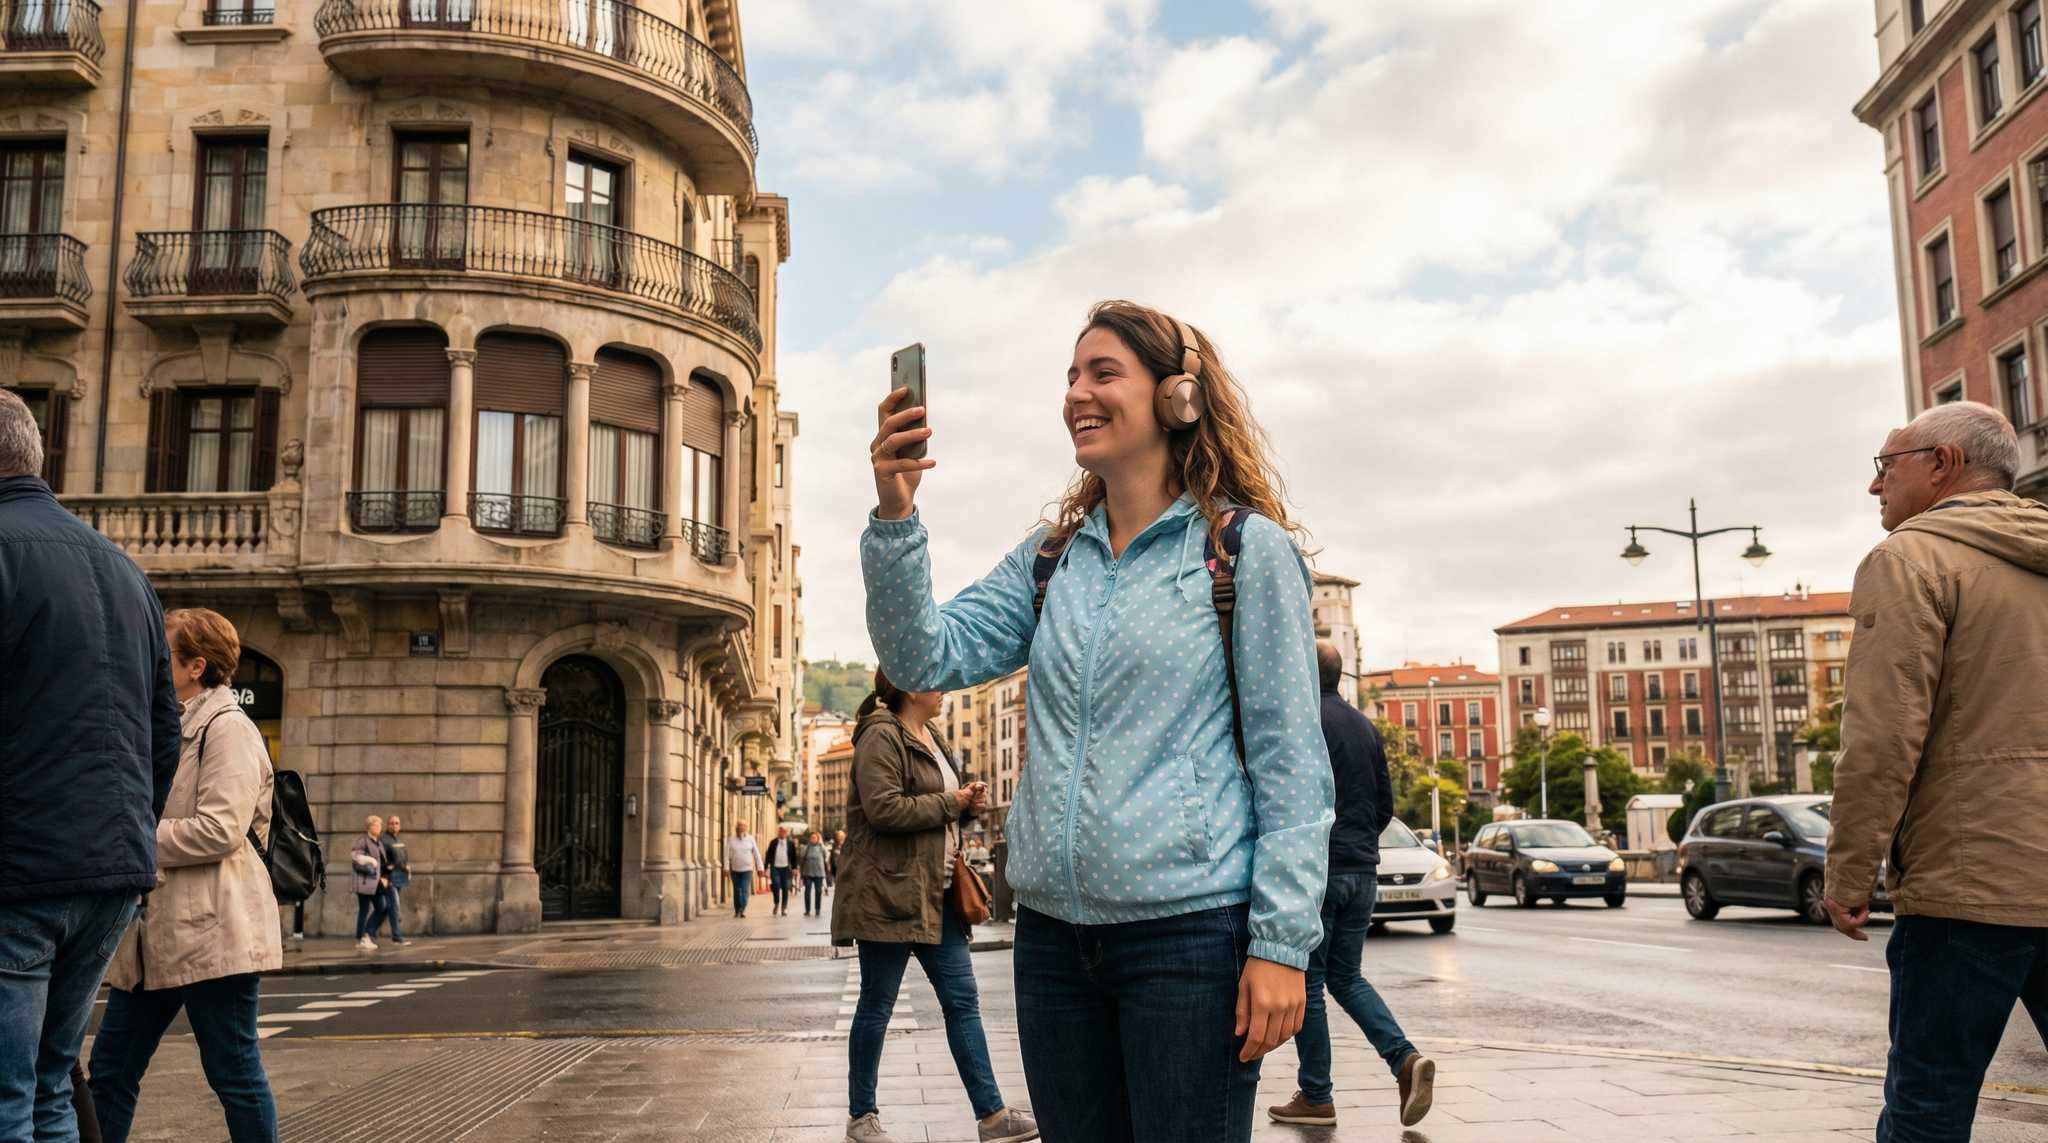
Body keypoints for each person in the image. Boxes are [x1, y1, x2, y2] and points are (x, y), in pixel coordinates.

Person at [863, 300, 1334, 1141]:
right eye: (1072, 377)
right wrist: (896, 512)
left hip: (1189, 939)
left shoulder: (1241, 550)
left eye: (1103, 373)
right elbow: (922, 657)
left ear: (1179, 395)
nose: (1078, 392)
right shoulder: (1052, 558)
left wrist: (1281, 944)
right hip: (1053, 945)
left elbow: (1292, 764)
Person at [1824, 402, 2048, 1143]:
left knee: (1931, 1099)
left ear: (1943, 465)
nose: (1874, 486)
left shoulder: (1910, 561)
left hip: (1970, 880)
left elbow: (1883, 736)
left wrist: (1849, 872)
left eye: (1885, 466)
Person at [0, 390, 178, 1140]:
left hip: (20, 871)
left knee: (8, 1093)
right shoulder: (124, 567)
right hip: (111, 871)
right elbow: (164, 731)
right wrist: (132, 824)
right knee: (49, 1084)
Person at [89, 607, 282, 1142]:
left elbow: (220, 829)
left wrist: (135, 842)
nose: (152, 662)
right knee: (110, 1072)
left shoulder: (228, 729)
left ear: (196, 666)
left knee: (234, 1073)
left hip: (214, 932)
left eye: (164, 653)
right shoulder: (168, 724)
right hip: (156, 936)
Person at [832, 672, 1036, 1143]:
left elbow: (936, 805)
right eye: (934, 678)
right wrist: (951, 801)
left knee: (963, 1003)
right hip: (889, 893)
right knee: (876, 1005)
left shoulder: (933, 735)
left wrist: (967, 805)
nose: (944, 687)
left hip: (937, 892)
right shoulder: (881, 734)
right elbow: (884, 808)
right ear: (907, 684)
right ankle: (862, 1117)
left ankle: (992, 1115)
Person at [1269, 641, 1434, 1129]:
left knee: (1311, 983)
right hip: (1363, 869)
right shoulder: (1363, 725)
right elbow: (1385, 804)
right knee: (1348, 977)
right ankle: (1404, 1059)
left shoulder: (1300, 720)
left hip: (1319, 869)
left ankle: (1317, 1096)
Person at [350, 816, 390, 951]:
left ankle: (367, 934)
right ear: (370, 827)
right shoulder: (363, 841)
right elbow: (356, 859)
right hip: (365, 882)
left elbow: (382, 862)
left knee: (382, 907)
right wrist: (371, 866)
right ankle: (361, 938)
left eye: (380, 825)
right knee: (364, 910)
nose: (379, 828)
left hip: (376, 882)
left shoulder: (378, 842)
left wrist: (384, 876)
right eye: (377, 825)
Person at [379, 813, 412, 945]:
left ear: (400, 826)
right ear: (387, 825)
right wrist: (384, 875)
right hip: (389, 877)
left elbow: (403, 857)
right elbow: (381, 859)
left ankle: (369, 932)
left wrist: (407, 868)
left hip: (399, 877)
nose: (394, 825)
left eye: (397, 823)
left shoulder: (398, 840)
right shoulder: (383, 839)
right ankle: (397, 937)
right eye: (392, 823)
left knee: (389, 907)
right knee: (394, 906)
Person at [725, 823, 762, 918]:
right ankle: (737, 910)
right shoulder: (731, 839)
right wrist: (726, 868)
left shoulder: (750, 839)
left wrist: (760, 867)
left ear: (746, 828)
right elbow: (726, 855)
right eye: (740, 826)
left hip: (747, 870)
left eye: (744, 826)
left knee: (744, 889)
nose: (741, 828)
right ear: (736, 828)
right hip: (735, 870)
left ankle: (742, 909)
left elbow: (756, 854)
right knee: (737, 890)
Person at [764, 826, 799, 916]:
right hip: (775, 868)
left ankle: (784, 908)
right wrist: (766, 867)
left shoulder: (790, 844)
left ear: (786, 833)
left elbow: (794, 857)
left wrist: (795, 868)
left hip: (786, 869)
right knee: (775, 885)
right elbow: (768, 855)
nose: (782, 833)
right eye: (781, 832)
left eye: (784, 832)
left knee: (785, 888)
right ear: (778, 832)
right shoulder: (773, 842)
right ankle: (776, 903)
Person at [801, 831, 830, 917]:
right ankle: (807, 910)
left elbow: (826, 855)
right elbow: (802, 856)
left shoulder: (821, 847)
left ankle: (817, 909)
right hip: (808, 872)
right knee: (807, 891)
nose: (813, 839)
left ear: (818, 839)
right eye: (812, 838)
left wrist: (822, 844)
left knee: (818, 891)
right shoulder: (807, 847)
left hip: (819, 873)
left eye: (815, 838)